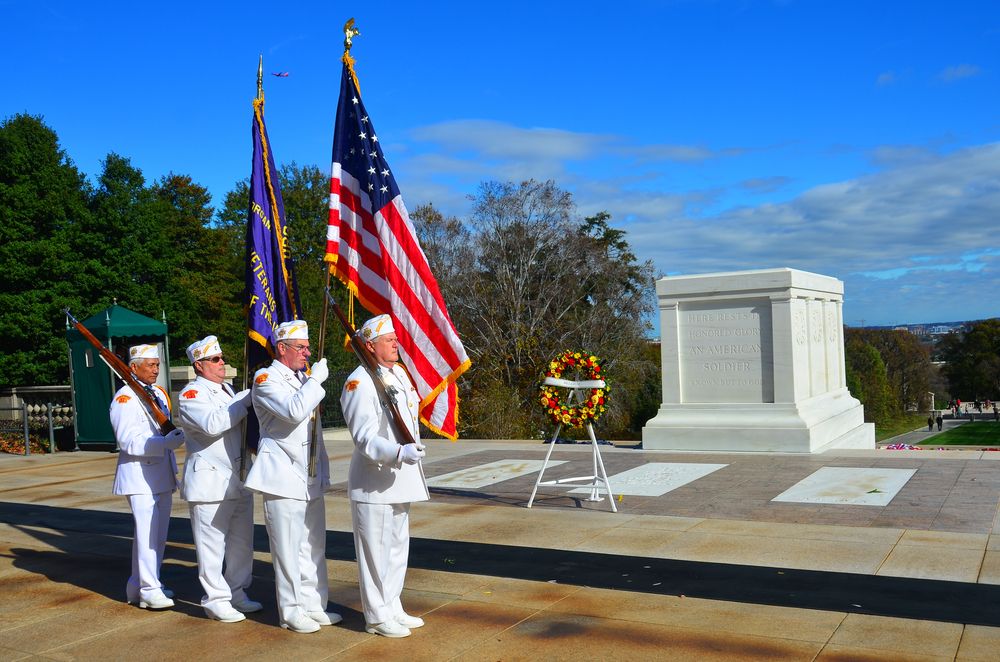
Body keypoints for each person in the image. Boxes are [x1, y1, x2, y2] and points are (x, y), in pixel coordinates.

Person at [244, 321, 340, 634]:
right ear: (281, 349)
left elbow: (314, 434)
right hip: (282, 476)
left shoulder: (302, 378)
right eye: (301, 347)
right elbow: (294, 411)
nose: (307, 353)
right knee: (287, 548)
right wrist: (315, 382)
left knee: (313, 546)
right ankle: (291, 610)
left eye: (308, 347)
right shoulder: (266, 378)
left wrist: (322, 472)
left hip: (308, 475)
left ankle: (314, 605)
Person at [340, 314, 429, 639]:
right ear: (369, 345)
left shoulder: (397, 374)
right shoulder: (359, 382)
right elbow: (363, 437)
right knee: (376, 553)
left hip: (400, 480)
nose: (396, 344)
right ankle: (376, 617)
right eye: (389, 340)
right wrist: (396, 453)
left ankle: (392, 605)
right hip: (374, 482)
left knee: (395, 549)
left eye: (395, 339)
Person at [177, 335, 261, 623]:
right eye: (215, 359)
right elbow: (214, 424)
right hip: (209, 482)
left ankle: (236, 591)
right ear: (199, 365)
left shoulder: (227, 389)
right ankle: (215, 599)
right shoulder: (191, 395)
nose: (222, 362)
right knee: (212, 546)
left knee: (241, 544)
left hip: (238, 477)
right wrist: (244, 400)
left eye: (222, 357)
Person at [110, 343, 184, 610]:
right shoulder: (125, 398)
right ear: (133, 368)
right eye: (150, 365)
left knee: (158, 535)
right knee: (147, 535)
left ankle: (139, 584)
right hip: (139, 477)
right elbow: (127, 441)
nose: (156, 370)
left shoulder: (158, 394)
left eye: (157, 364)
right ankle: (149, 589)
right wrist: (164, 443)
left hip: (160, 474)